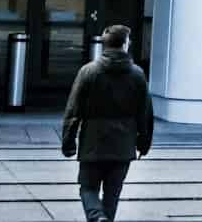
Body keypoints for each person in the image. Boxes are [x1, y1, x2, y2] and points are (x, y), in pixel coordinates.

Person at [60, 25, 154, 222]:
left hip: (93, 142)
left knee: (87, 187)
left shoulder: (88, 72)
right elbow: (145, 114)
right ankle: (103, 218)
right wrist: (144, 143)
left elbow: (73, 111)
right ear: (125, 44)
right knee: (112, 195)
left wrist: (69, 142)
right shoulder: (137, 75)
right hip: (123, 144)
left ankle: (96, 217)